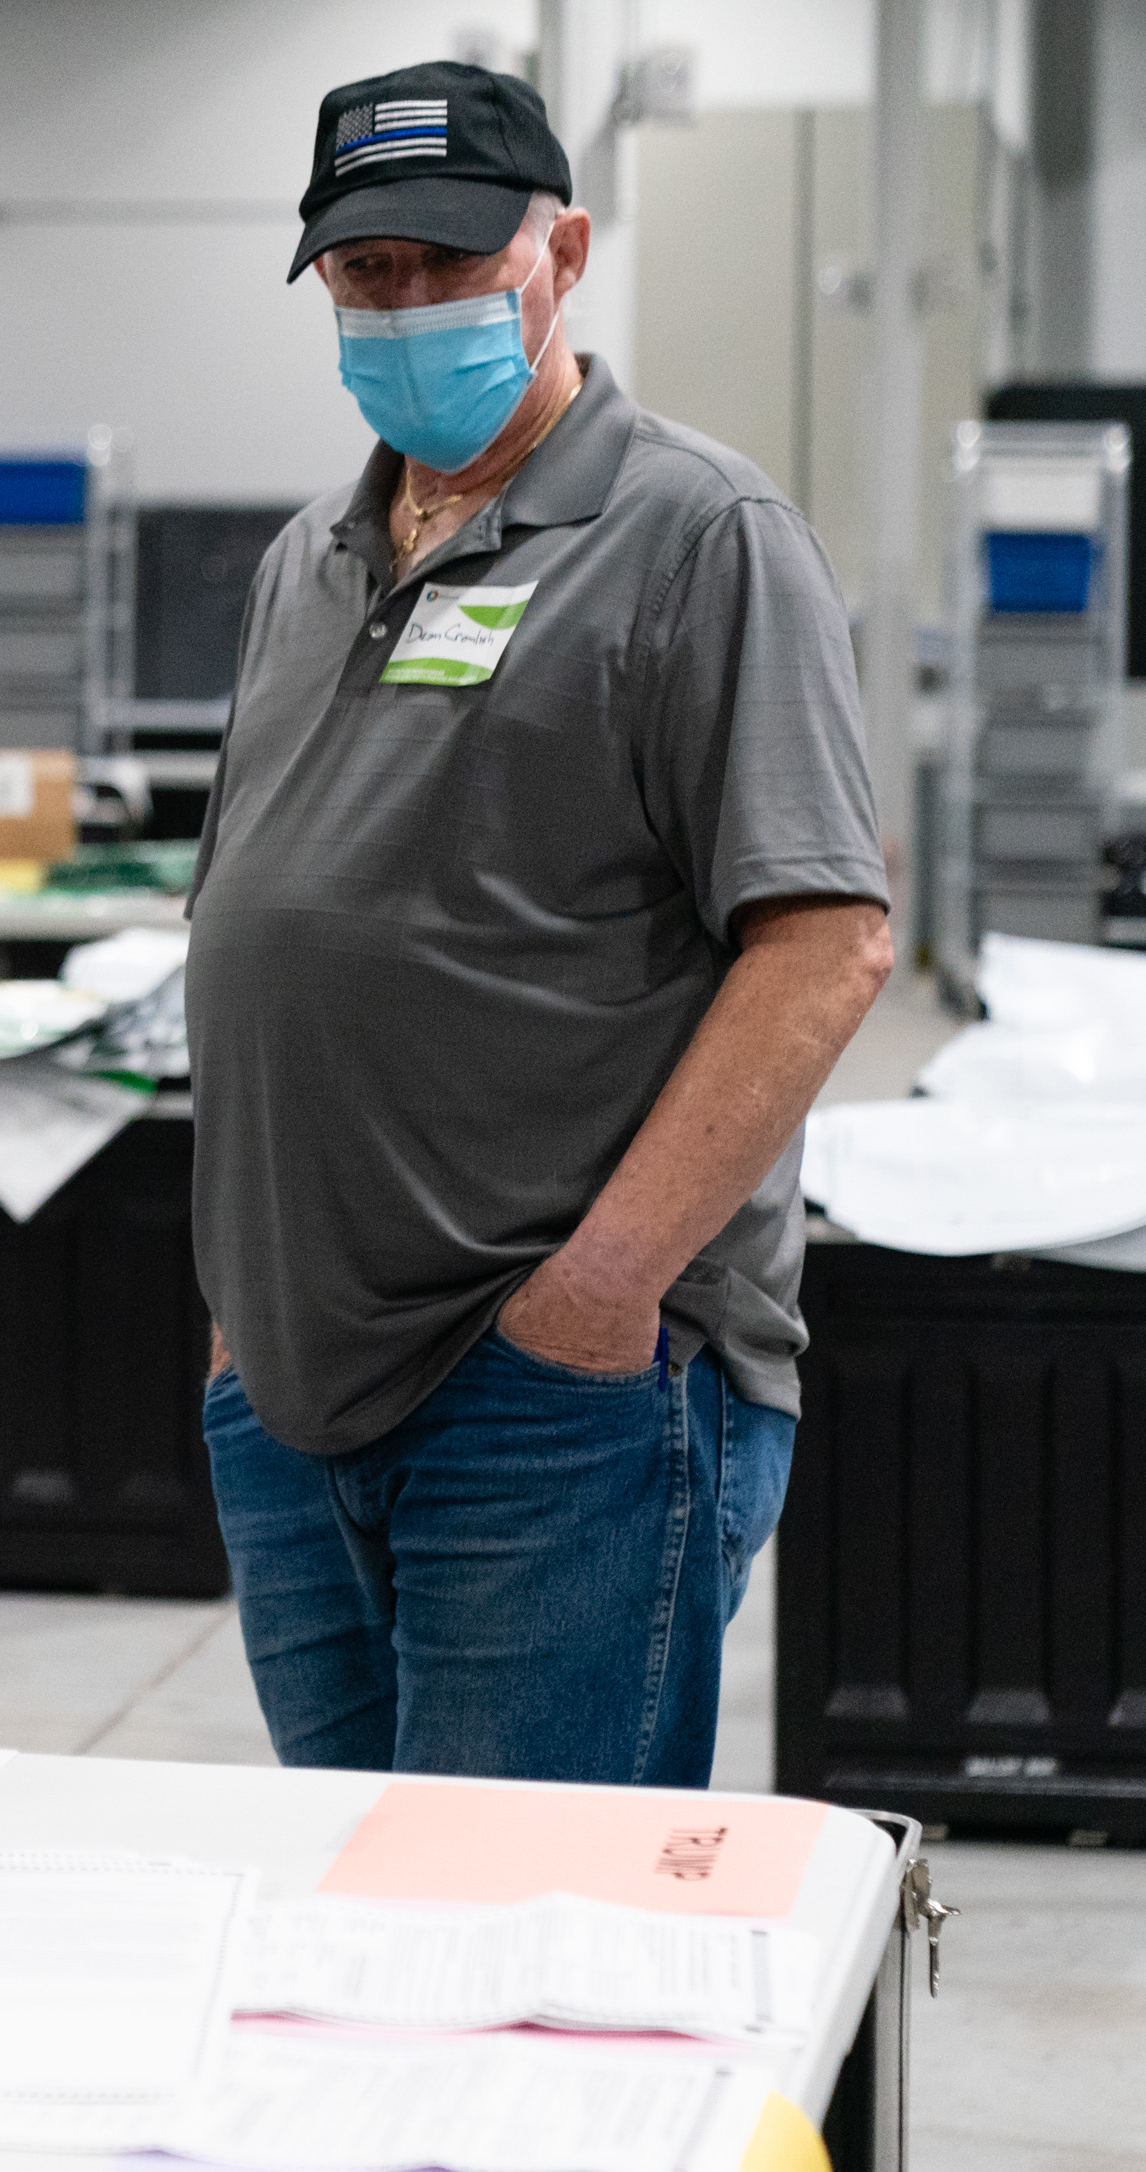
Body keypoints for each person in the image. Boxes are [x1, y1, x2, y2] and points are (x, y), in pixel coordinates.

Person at [184, 61, 893, 1788]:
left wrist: (601, 1290)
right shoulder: (309, 562)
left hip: (557, 1396)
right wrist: (237, 1315)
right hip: (290, 1387)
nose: (405, 302)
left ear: (559, 249)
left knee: (523, 1956)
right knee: (355, 1922)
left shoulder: (698, 535)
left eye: (447, 260)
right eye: (366, 275)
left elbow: (825, 946)